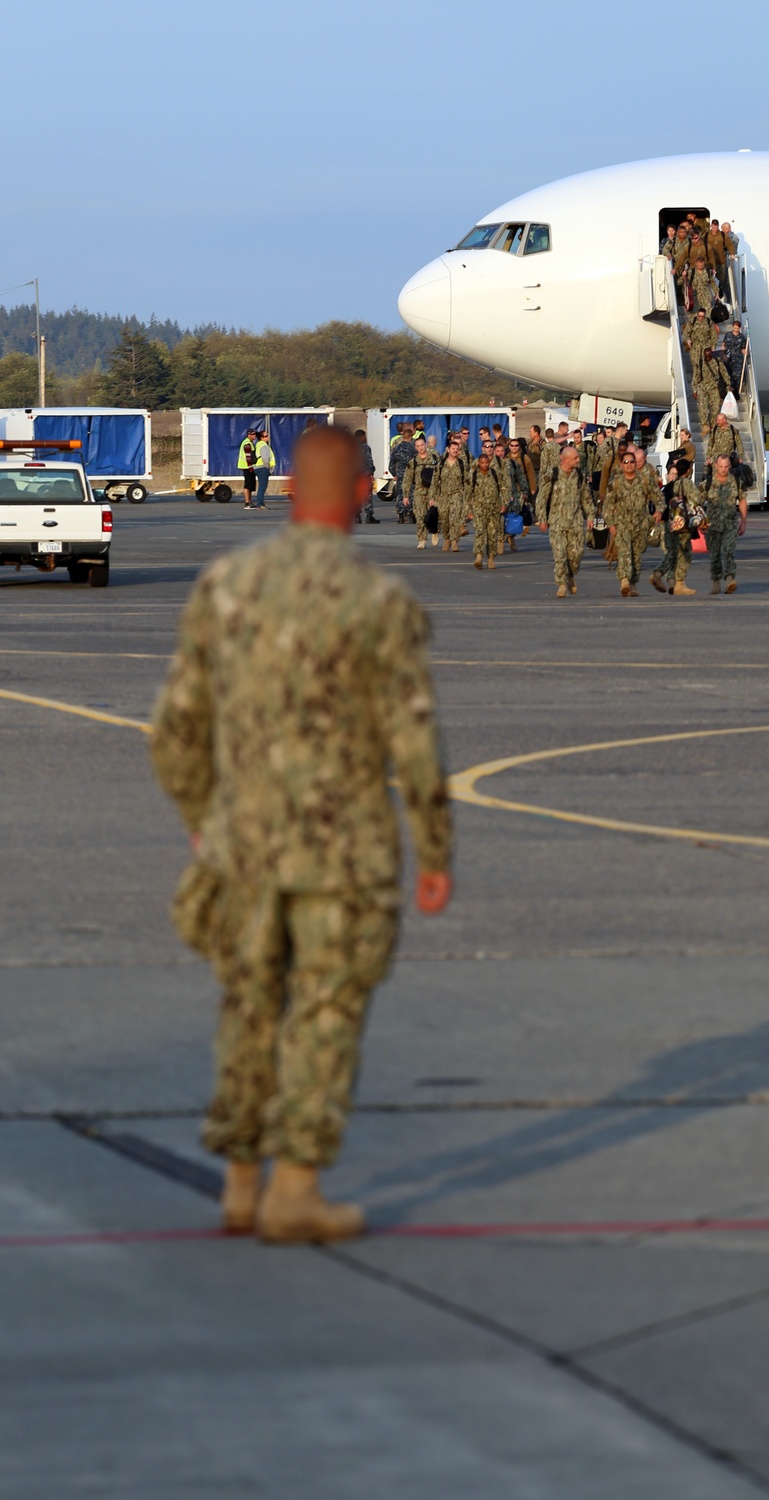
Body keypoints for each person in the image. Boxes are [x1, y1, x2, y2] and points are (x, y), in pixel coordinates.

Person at [149, 425, 452, 1244]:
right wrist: (434, 852)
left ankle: (241, 1184)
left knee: (247, 1006)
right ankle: (296, 1186)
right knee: (324, 1010)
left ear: (286, 486)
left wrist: (201, 821)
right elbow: (415, 743)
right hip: (343, 855)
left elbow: (174, 730)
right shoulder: (379, 602)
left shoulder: (226, 585)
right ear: (362, 492)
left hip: (242, 844)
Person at [536, 445, 595, 598]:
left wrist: (590, 515)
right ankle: (561, 584)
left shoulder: (579, 475)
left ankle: (570, 575)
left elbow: (586, 497)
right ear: (565, 459)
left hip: (575, 522)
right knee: (560, 555)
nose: (578, 460)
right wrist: (542, 519)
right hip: (557, 522)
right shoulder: (552, 474)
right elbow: (542, 498)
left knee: (576, 555)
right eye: (575, 458)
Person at [650, 458, 699, 596]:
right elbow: (696, 501)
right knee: (685, 553)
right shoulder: (687, 484)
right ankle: (679, 583)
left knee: (671, 552)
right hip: (683, 524)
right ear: (689, 470)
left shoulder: (671, 485)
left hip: (669, 523)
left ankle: (658, 573)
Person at [604, 448, 648, 597]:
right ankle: (624, 581)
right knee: (624, 552)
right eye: (626, 462)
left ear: (636, 464)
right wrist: (610, 523)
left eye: (632, 462)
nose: (629, 465)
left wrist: (659, 511)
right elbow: (608, 505)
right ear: (621, 465)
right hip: (621, 523)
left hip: (639, 524)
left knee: (635, 555)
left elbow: (657, 497)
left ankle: (633, 583)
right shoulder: (616, 483)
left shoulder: (644, 481)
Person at [703, 454, 747, 593]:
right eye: (721, 466)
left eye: (726, 466)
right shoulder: (707, 483)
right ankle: (716, 582)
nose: (723, 469)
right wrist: (700, 523)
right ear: (715, 466)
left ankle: (729, 579)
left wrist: (744, 521)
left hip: (730, 524)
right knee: (715, 555)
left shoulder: (736, 482)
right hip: (712, 526)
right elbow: (696, 502)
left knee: (728, 552)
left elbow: (742, 500)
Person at [429, 437, 468, 552]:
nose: (455, 450)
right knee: (444, 519)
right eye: (453, 448)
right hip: (443, 496)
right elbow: (434, 482)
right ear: (448, 450)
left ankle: (455, 541)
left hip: (457, 495)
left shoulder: (462, 464)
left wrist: (468, 497)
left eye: (457, 449)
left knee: (454, 519)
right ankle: (447, 538)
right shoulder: (441, 464)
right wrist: (432, 497)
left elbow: (467, 481)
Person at [467, 450, 503, 569]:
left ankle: (491, 558)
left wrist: (504, 503)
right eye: (482, 463)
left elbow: (502, 489)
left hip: (493, 508)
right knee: (480, 531)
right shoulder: (473, 475)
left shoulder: (494, 474)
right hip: (478, 508)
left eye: (486, 462)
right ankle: (478, 556)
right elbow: (468, 494)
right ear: (478, 464)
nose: (484, 465)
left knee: (492, 534)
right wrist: (468, 511)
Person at [403, 434, 440, 548]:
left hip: (432, 491)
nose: (420, 448)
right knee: (419, 516)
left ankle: (434, 531)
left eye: (422, 445)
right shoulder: (413, 462)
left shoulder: (434, 459)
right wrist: (405, 495)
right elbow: (407, 479)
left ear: (425, 445)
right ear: (415, 448)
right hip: (419, 492)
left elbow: (441, 474)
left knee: (433, 514)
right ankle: (422, 540)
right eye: (418, 446)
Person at [389, 425, 416, 522]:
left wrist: (394, 474)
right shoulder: (413, 449)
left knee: (400, 494)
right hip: (411, 474)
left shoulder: (396, 448)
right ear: (410, 437)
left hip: (400, 474)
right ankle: (411, 514)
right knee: (411, 493)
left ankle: (401, 515)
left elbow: (391, 463)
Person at [354, 429, 379, 523]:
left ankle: (356, 516)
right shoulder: (365, 447)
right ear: (361, 437)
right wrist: (372, 472)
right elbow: (369, 461)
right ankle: (369, 515)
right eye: (364, 436)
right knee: (367, 495)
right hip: (364, 473)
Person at [722, 320, 748, 395]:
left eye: (737, 328)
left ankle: (735, 391)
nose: (735, 329)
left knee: (737, 375)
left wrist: (745, 352)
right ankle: (727, 391)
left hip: (737, 358)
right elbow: (724, 344)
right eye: (734, 328)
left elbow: (742, 348)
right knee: (727, 374)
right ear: (733, 327)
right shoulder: (728, 335)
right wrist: (722, 352)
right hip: (728, 357)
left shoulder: (742, 337)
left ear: (739, 328)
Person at [252, 430, 275, 509]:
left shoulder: (258, 445)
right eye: (266, 436)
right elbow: (265, 458)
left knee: (262, 486)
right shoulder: (264, 446)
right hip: (262, 468)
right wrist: (268, 467)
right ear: (261, 438)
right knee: (262, 486)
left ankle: (261, 503)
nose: (268, 437)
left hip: (257, 467)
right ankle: (260, 504)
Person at [238, 428, 259, 510]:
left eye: (255, 434)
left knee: (250, 485)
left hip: (248, 466)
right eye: (253, 434)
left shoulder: (250, 442)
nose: (255, 436)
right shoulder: (247, 443)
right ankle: (247, 503)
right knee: (247, 485)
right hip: (247, 467)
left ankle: (249, 502)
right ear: (249, 435)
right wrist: (250, 467)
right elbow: (248, 457)